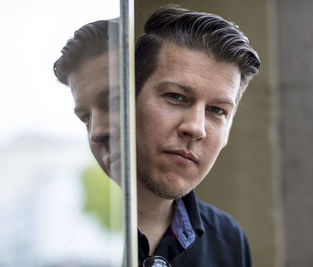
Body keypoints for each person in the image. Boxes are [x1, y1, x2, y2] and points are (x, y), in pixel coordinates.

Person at [54, 5, 260, 267]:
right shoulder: (64, 246)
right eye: (175, 97)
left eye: (217, 110)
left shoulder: (228, 241)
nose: (196, 128)